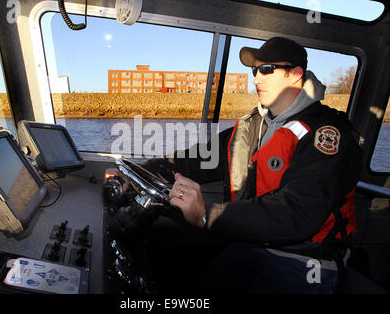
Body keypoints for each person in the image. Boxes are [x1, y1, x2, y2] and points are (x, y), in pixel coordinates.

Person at [104, 37, 363, 293]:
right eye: (254, 70)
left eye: (266, 69)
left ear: (295, 74)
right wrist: (134, 174)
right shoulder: (250, 127)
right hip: (250, 244)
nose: (256, 78)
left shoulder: (328, 135)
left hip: (305, 262)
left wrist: (207, 215)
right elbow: (190, 160)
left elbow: (297, 213)